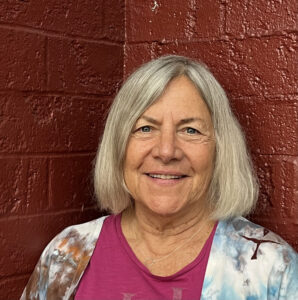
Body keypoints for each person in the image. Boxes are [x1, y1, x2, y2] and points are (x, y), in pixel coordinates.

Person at [21, 55, 297, 300]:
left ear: (220, 150)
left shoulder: (271, 267)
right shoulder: (67, 254)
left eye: (190, 130)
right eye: (145, 128)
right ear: (119, 146)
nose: (166, 151)